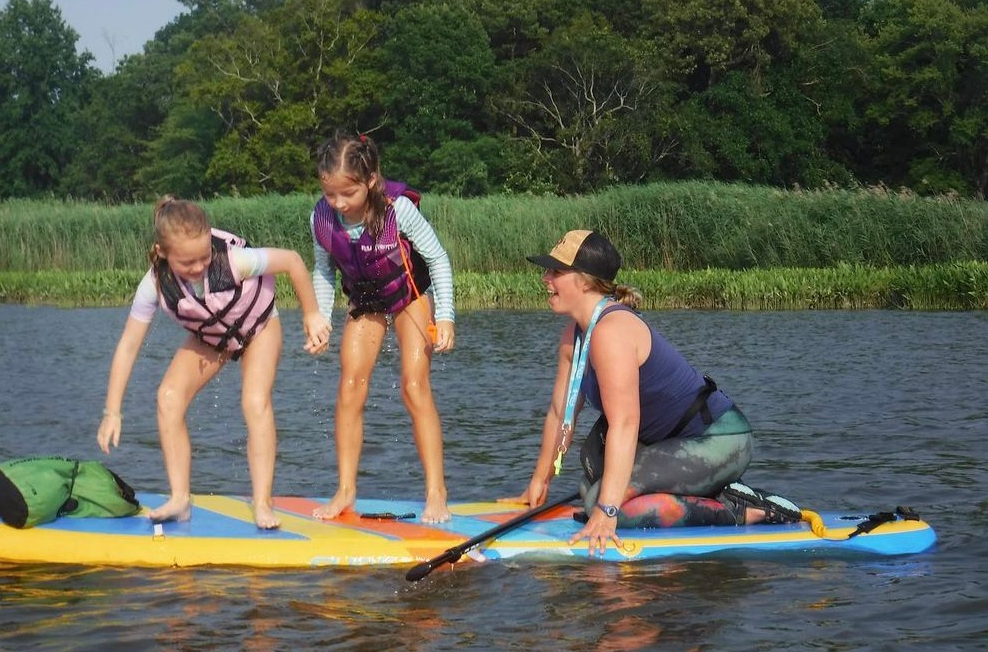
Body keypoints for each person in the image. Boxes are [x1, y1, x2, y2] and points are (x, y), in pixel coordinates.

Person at [516, 229, 801, 556]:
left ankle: (739, 507)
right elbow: (559, 412)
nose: (544, 278)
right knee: (591, 473)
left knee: (606, 504)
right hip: (667, 442)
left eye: (555, 271)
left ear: (584, 281)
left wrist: (608, 512)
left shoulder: (611, 332)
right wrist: (539, 482)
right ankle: (698, 494)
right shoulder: (574, 335)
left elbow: (624, 423)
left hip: (720, 440)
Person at [97, 196, 331, 528]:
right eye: (186, 262)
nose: (198, 267)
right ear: (162, 253)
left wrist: (311, 314)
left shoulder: (234, 261)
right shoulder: (152, 286)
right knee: (168, 397)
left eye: (204, 257)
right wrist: (112, 410)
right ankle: (180, 499)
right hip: (214, 338)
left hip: (259, 327)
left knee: (254, 402)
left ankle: (262, 503)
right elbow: (127, 346)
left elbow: (292, 261)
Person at [310, 133, 456, 523]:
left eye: (348, 193)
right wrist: (320, 318)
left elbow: (438, 259)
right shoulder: (320, 219)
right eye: (330, 195)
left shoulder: (399, 210)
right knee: (350, 385)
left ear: (371, 180)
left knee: (414, 385)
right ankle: (345, 490)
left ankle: (436, 492)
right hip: (366, 299)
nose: (339, 204)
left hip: (410, 294)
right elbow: (323, 270)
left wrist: (445, 316)